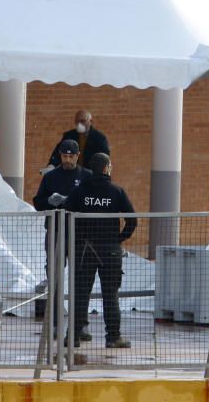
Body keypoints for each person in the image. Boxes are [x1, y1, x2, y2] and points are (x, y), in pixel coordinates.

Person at [64, 152, 136, 349]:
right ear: (106, 168)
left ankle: (73, 336)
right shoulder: (116, 191)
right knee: (110, 295)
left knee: (80, 294)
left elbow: (65, 216)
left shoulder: (79, 191)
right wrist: (119, 239)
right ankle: (113, 337)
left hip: (84, 249)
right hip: (110, 250)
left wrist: (75, 240)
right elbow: (133, 220)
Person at [32, 139, 89, 333]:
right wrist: (49, 201)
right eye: (64, 156)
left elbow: (89, 203)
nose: (67, 159)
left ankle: (81, 324)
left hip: (79, 233)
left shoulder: (86, 176)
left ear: (77, 155)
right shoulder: (51, 177)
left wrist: (74, 203)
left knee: (80, 279)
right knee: (55, 276)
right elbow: (38, 202)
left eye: (71, 156)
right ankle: (55, 322)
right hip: (56, 231)